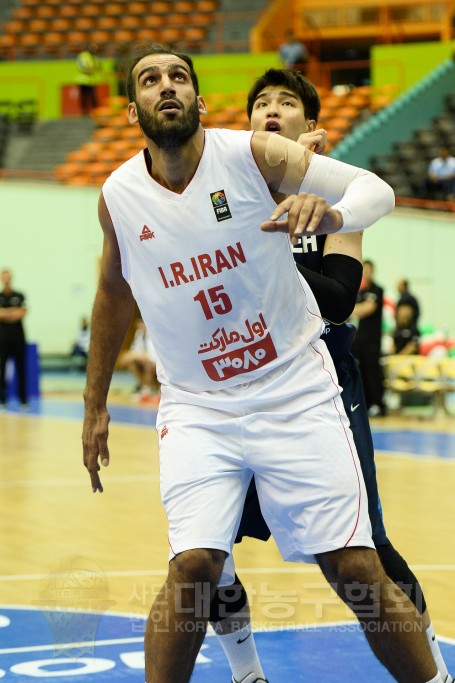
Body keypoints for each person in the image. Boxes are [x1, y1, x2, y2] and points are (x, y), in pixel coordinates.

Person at [81, 41, 441, 683]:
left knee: (355, 564)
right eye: (150, 79)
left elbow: (374, 190)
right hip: (199, 405)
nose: (166, 86)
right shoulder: (117, 197)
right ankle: (246, 672)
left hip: (297, 386)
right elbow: (113, 292)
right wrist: (94, 403)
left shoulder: (253, 156)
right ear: (132, 107)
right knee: (195, 565)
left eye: (179, 76)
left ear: (198, 98)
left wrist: (332, 212)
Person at [208, 68, 452, 683]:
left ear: (309, 128)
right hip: (237, 381)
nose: (270, 110)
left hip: (326, 377)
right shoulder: (225, 194)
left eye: (285, 103)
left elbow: (340, 297)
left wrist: (253, 259)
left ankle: (433, 668)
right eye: (259, 102)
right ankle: (247, 674)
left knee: (365, 546)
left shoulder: (337, 200)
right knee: (206, 552)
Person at [352, 259, 386, 417]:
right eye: (363, 270)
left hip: (373, 340)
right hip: (360, 339)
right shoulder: (361, 292)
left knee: (373, 372)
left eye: (368, 270)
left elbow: (367, 309)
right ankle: (366, 404)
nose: (366, 273)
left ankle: (378, 404)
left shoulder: (377, 290)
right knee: (362, 371)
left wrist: (351, 309)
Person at [0, 268, 28, 409]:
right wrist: (13, 312)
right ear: (1, 279)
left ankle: (23, 400)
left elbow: (23, 312)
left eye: (8, 276)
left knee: (21, 368)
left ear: (11, 278)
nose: (6, 279)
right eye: (3, 277)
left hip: (18, 338)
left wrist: (6, 313)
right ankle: (2, 400)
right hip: (3, 339)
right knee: (1, 369)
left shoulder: (20, 295)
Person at [117, 317, 159, 402]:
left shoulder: (154, 334)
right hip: (146, 361)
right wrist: (129, 356)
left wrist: (136, 356)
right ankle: (144, 390)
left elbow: (153, 355)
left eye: (140, 324)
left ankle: (152, 391)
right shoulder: (139, 333)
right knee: (132, 364)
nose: (139, 327)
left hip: (157, 363)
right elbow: (134, 350)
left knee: (148, 365)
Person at [75, 42, 102, 115]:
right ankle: (84, 112)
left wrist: (93, 69)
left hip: (92, 80)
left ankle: (95, 112)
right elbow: (83, 67)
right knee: (84, 97)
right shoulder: (83, 56)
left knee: (93, 97)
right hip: (83, 80)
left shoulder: (94, 57)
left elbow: (99, 67)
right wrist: (92, 69)